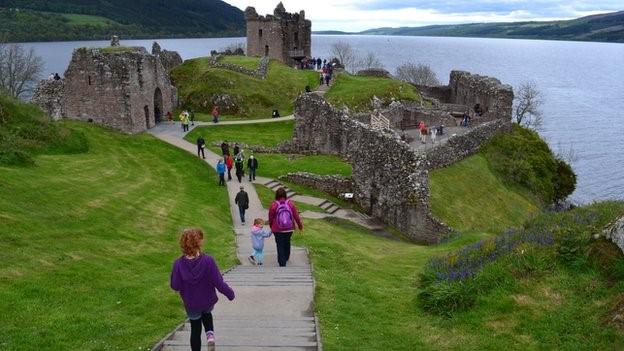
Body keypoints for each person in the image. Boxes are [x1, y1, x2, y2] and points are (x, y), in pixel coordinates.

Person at [171, 228, 235, 350]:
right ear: (199, 242)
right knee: (207, 313)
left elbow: (175, 285)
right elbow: (218, 282)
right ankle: (210, 337)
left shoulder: (178, 264)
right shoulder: (208, 261)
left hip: (191, 303)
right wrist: (230, 293)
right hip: (207, 300)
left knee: (195, 329)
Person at [268, 187, 303, 267]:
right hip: (289, 228)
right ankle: (286, 257)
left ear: (276, 195)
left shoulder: (274, 205)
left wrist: (271, 227)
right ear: (285, 194)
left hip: (277, 229)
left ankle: (282, 263)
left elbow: (270, 218)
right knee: (287, 242)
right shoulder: (290, 203)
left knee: (279, 244)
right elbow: (296, 216)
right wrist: (300, 226)